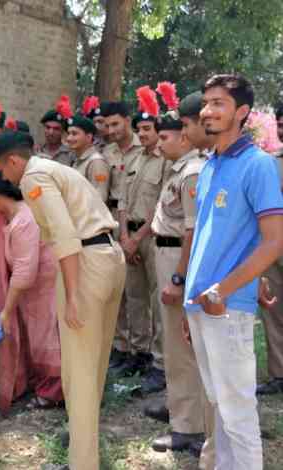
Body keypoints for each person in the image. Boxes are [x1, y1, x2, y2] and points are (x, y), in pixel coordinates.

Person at [0, 131, 125, 470]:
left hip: (87, 264)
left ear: (14, 161)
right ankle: (85, 446)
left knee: (78, 370)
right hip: (108, 255)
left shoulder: (34, 177)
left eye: (2, 170)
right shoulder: (53, 169)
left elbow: (64, 235)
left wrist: (74, 294)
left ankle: (82, 464)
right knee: (92, 365)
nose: (4, 179)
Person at [183, 74, 283, 469]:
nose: (207, 110)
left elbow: (274, 241)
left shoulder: (257, 164)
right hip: (202, 303)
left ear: (241, 113)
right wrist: (195, 298)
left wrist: (221, 291)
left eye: (218, 103)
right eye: (206, 102)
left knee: (238, 413)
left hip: (225, 306)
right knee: (220, 408)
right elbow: (223, 237)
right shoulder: (210, 166)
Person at [143, 103, 212, 459]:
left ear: (185, 137)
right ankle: (179, 408)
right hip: (165, 251)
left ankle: (190, 428)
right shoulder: (179, 168)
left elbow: (192, 229)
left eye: (166, 135)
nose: (159, 142)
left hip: (177, 258)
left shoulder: (192, 173)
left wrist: (177, 278)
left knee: (182, 348)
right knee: (173, 344)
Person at [0, 169, 63, 414]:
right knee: (26, 334)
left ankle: (54, 393)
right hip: (23, 286)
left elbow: (24, 272)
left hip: (42, 285)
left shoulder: (25, 220)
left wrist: (6, 310)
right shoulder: (3, 216)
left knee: (44, 336)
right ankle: (33, 383)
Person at [114, 87, 167, 388]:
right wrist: (124, 235)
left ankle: (160, 362)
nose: (143, 134)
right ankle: (139, 352)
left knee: (156, 300)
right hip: (129, 235)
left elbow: (161, 203)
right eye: (140, 129)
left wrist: (137, 238)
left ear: (158, 131)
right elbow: (121, 200)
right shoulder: (133, 160)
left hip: (152, 236)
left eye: (148, 129)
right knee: (134, 297)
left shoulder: (166, 161)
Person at [101, 101, 143, 373]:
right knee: (116, 288)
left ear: (128, 121)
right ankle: (122, 346)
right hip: (113, 219)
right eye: (106, 125)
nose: (111, 129)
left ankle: (142, 349)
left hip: (138, 223)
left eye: (115, 123)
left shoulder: (147, 149)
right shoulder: (106, 152)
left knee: (138, 291)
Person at [258, 104, 283, 395]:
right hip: (273, 245)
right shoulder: (270, 163)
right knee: (274, 309)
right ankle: (278, 372)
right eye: (279, 122)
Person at [66, 113, 110, 202]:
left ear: (89, 137)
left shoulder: (97, 162)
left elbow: (99, 199)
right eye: (69, 133)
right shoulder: (78, 160)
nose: (69, 138)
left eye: (74, 134)